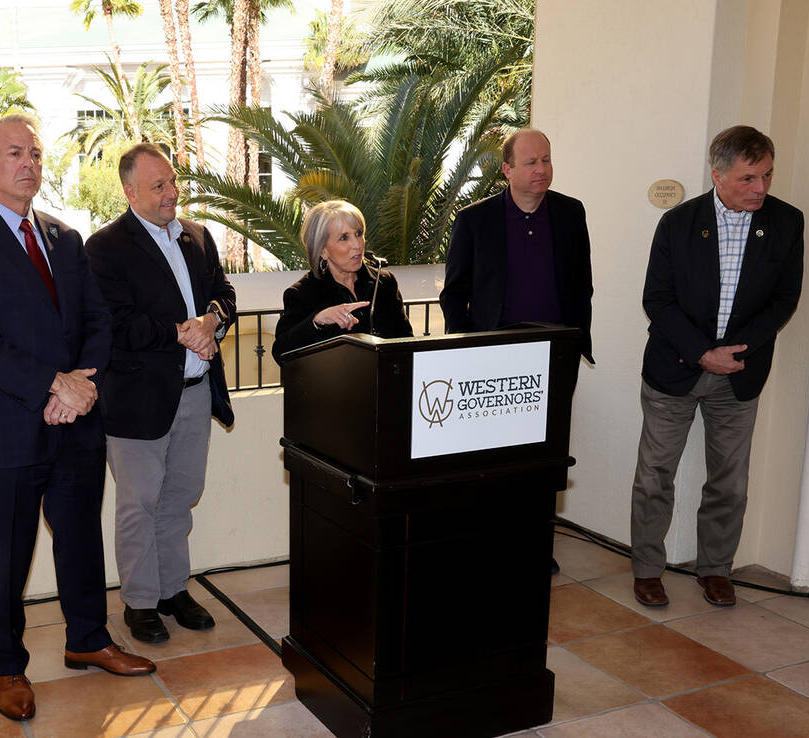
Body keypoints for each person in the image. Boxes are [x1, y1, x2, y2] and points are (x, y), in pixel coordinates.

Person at [0, 114, 154, 722]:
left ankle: (88, 637)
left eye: (35, 152)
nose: (28, 163)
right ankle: (7, 666)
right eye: (14, 153)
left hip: (76, 422)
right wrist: (54, 385)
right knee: (6, 555)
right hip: (4, 430)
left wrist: (79, 388)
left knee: (80, 538)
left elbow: (98, 323)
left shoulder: (64, 237)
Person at [630, 125, 803, 609]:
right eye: (749, 178)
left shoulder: (788, 223)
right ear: (719, 174)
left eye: (767, 175)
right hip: (675, 369)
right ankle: (647, 569)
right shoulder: (679, 223)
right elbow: (657, 299)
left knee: (730, 480)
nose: (761, 188)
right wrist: (703, 352)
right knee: (654, 475)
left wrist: (736, 351)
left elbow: (785, 299)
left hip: (741, 374)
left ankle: (715, 569)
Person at [84, 143, 236, 644]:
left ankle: (174, 590)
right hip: (137, 401)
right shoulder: (105, 248)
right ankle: (140, 602)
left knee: (180, 498)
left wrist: (212, 319)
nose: (172, 192)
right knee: (139, 504)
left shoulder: (198, 236)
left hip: (194, 392)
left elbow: (224, 293)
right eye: (158, 186)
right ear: (130, 192)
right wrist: (180, 332)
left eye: (172, 182)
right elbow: (115, 325)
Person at [439, 128, 594, 576]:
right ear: (507, 170)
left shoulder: (570, 213)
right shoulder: (475, 220)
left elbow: (581, 285)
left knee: (546, 457)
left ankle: (536, 542)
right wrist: (470, 348)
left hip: (555, 357)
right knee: (493, 458)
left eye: (546, 159)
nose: (541, 169)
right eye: (531, 162)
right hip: (494, 358)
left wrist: (576, 337)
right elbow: (455, 293)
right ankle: (489, 541)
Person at [271, 200, 413, 363]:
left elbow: (406, 341)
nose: (357, 245)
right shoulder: (302, 293)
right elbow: (282, 353)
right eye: (344, 238)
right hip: (333, 387)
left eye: (359, 234)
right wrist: (317, 322)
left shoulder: (385, 282)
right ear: (323, 250)